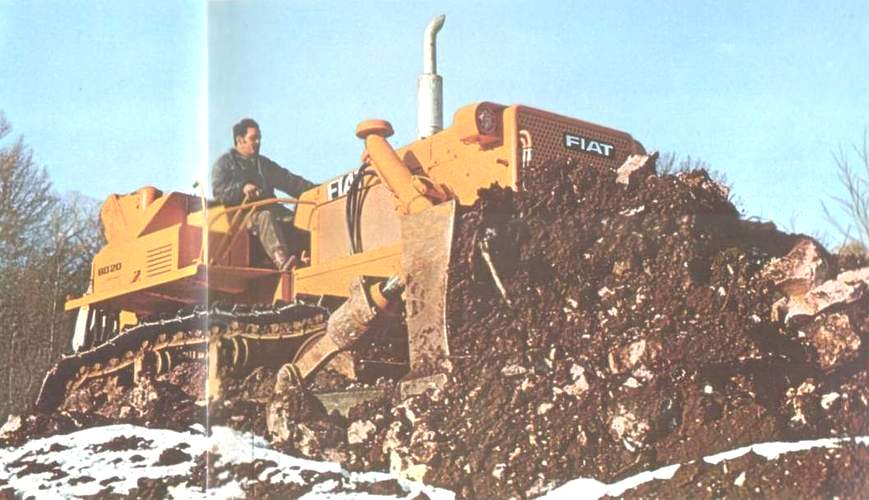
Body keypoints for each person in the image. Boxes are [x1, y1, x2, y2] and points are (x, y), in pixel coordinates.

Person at [212, 118, 316, 271]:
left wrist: (318, 191)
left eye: (259, 138)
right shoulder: (224, 164)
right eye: (253, 138)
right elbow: (219, 192)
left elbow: (290, 181)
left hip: (270, 210)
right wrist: (242, 188)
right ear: (240, 140)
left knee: (298, 219)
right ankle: (282, 261)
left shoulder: (264, 164)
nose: (258, 142)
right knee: (265, 217)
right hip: (241, 216)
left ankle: (309, 255)